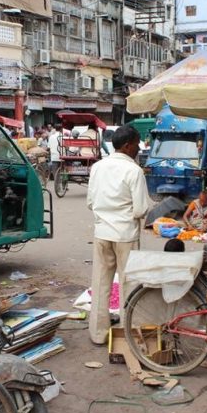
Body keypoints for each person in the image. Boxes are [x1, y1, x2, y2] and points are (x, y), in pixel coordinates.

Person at [86, 125, 150, 345]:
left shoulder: (98, 167)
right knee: (129, 284)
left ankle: (98, 334)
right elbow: (141, 209)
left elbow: (90, 202)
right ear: (127, 145)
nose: (139, 148)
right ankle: (126, 332)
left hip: (102, 232)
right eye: (137, 143)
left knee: (101, 282)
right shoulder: (134, 171)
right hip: (125, 235)